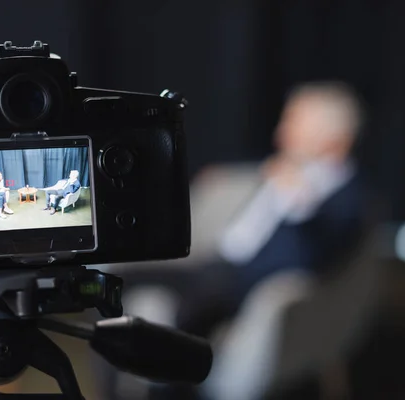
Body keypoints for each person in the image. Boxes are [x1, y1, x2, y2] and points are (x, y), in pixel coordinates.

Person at [106, 81, 367, 400]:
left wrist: (298, 194)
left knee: (185, 313)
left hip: (251, 281)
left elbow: (322, 245)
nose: (282, 133)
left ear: (333, 138)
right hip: (217, 266)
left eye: (295, 124)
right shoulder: (283, 171)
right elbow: (263, 173)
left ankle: (170, 386)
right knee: (117, 278)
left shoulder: (345, 194)